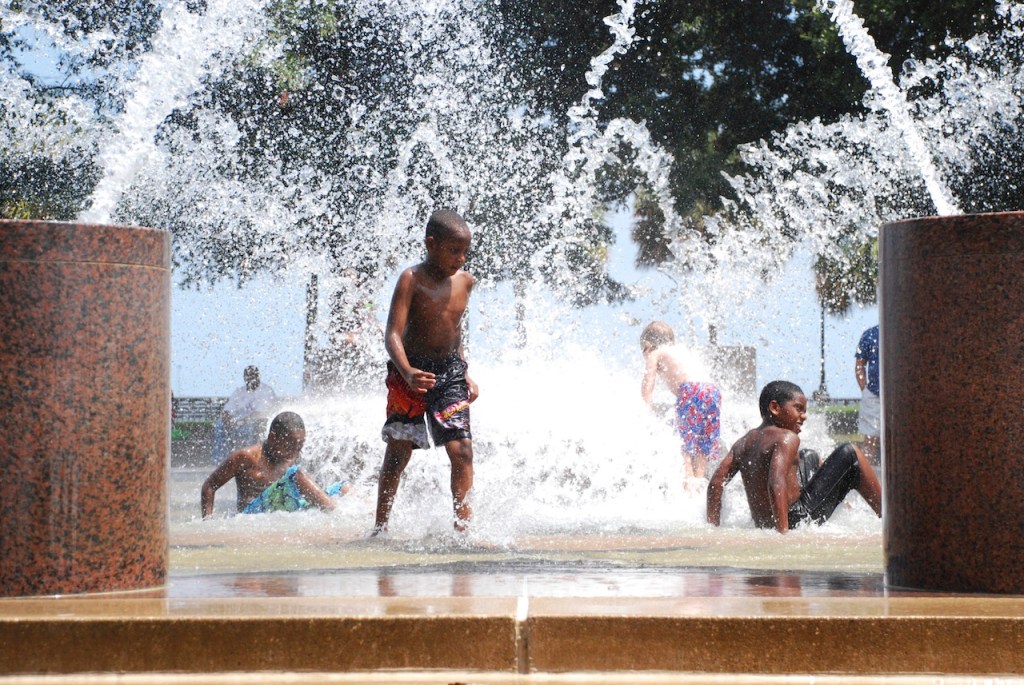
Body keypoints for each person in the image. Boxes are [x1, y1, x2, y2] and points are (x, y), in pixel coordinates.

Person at [373, 209, 479, 535]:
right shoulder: (411, 279)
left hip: (449, 373)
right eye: (454, 250)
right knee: (399, 452)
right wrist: (406, 371)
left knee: (462, 450)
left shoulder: (465, 282)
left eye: (465, 251)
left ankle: (463, 531)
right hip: (410, 376)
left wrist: (465, 372)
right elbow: (392, 334)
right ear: (431, 244)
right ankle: (380, 528)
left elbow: (455, 331)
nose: (460, 258)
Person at [706, 380, 882, 533]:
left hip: (765, 523)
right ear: (775, 408)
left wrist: (713, 527)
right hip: (796, 520)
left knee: (808, 455)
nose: (804, 417)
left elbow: (715, 483)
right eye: (798, 409)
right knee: (850, 453)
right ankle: (889, 517)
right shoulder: (787, 438)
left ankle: (839, 499)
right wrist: (783, 535)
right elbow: (776, 482)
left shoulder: (742, 442)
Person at [200, 411, 349, 518]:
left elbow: (308, 487)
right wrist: (207, 521)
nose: (295, 452)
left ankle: (351, 512)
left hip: (285, 506)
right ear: (273, 438)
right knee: (296, 473)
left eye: (299, 447)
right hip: (252, 512)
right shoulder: (245, 457)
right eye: (290, 446)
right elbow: (209, 486)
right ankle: (337, 513)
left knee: (343, 487)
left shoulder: (292, 456)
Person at [640, 321, 722, 482]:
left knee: (683, 441)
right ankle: (699, 481)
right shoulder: (681, 351)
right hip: (713, 392)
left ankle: (688, 480)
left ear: (647, 345)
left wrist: (646, 407)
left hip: (691, 390)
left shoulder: (654, 353)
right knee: (702, 443)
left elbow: (648, 381)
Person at [213, 365, 277, 463]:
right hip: (238, 422)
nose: (250, 378)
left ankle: (249, 459)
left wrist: (241, 422)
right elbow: (227, 410)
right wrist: (227, 420)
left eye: (253, 375)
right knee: (219, 425)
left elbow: (260, 413)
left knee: (250, 427)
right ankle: (220, 460)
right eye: (248, 376)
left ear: (258, 376)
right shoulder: (239, 392)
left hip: (257, 422)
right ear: (244, 377)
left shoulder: (266, 391)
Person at [855, 324, 881, 464]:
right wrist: (864, 389)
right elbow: (860, 364)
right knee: (870, 439)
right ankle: (866, 472)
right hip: (873, 394)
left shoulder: (903, 332)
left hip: (900, 396)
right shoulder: (871, 334)